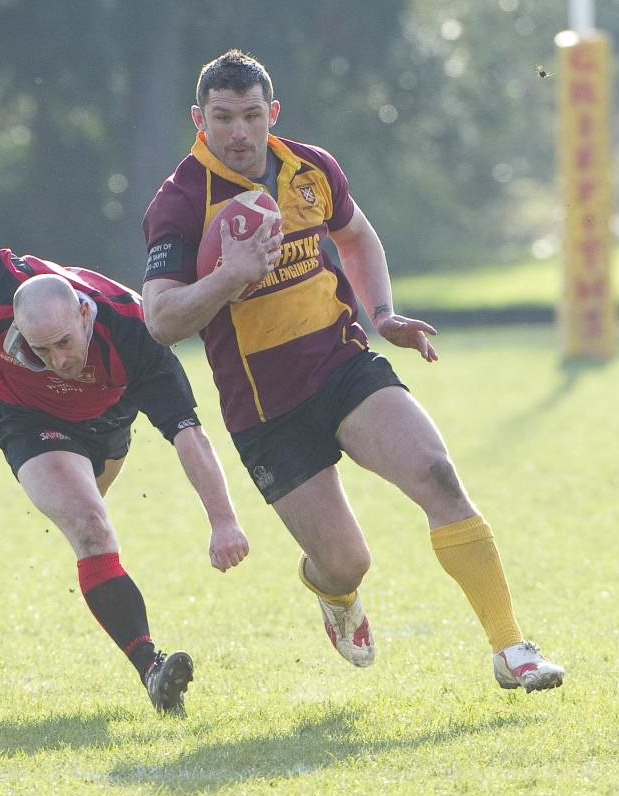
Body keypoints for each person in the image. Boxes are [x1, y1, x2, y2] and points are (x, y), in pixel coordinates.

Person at [140, 49, 564, 692]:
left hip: (343, 366)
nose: (239, 132)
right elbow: (161, 320)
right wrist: (230, 276)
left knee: (438, 477)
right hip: (266, 410)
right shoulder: (177, 203)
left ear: (272, 112)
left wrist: (383, 313)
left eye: (251, 115)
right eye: (223, 117)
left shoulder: (311, 168)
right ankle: (333, 593)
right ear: (199, 120)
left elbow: (357, 237)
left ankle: (513, 649)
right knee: (346, 563)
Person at [0, 215, 251, 714]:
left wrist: (223, 521)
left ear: (85, 315)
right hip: (31, 422)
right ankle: (151, 668)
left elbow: (187, 432)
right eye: (39, 349)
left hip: (106, 422)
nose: (57, 360)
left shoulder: (135, 333)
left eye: (65, 343)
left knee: (95, 498)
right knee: (91, 528)